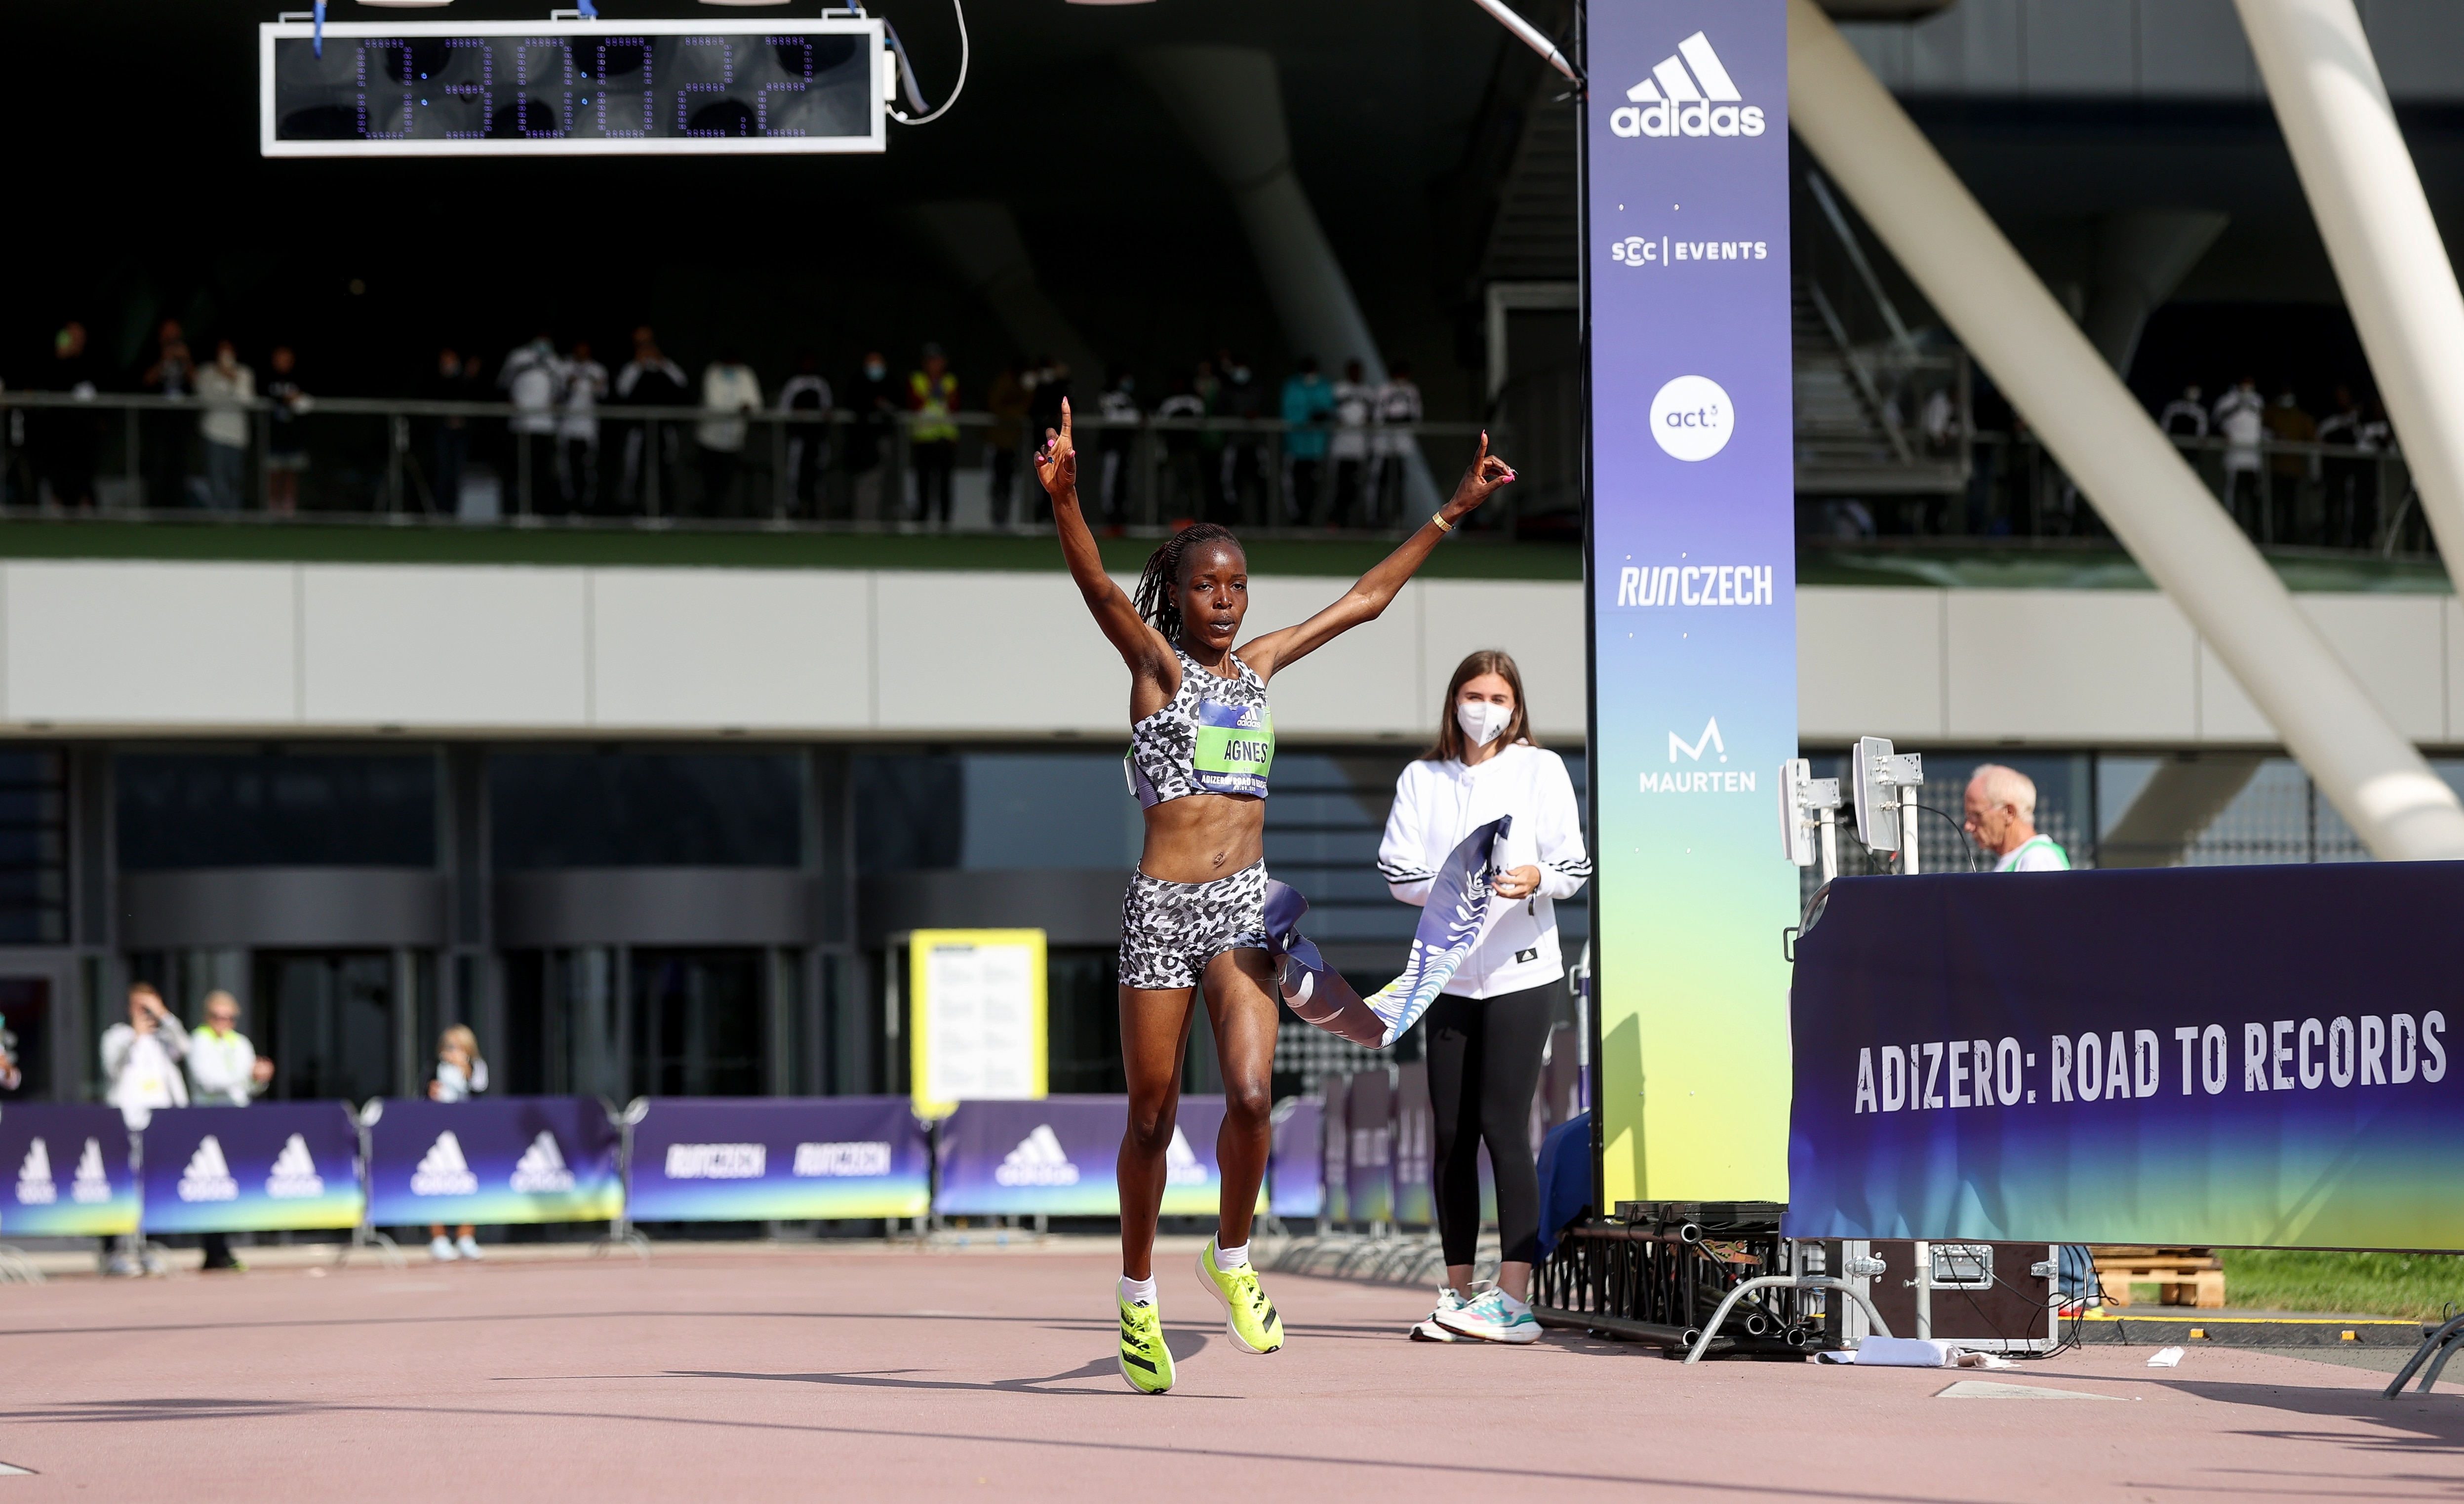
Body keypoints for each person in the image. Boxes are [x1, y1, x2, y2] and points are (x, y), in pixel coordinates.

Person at [1034, 397, 1516, 1393]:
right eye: (1207, 584)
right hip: (1160, 913)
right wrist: (1068, 498)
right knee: (1150, 1118)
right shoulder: (1156, 669)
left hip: (1243, 910)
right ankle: (1135, 1295)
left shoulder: (1257, 670)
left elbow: (1363, 602)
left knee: (1253, 1093)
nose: (1227, 599)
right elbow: (1095, 586)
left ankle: (1232, 1255)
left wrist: (1452, 509)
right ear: (1175, 591)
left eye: (1239, 585)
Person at [1379, 650, 1589, 1346]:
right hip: (1446, 973)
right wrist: (1457, 880)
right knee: (1450, 1134)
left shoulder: (1540, 768)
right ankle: (1458, 1292)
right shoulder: (1421, 777)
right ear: (1454, 701)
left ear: (1516, 707)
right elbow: (1397, 870)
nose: (1484, 706)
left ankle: (1513, 1297)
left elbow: (1573, 865)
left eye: (1498, 696)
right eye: (1473, 693)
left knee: (1503, 1123)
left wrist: (1533, 876)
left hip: (1523, 971)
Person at [101, 982, 188, 1276]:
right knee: (123, 1184)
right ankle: (117, 1250)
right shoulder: (117, 1036)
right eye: (140, 1007)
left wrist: (164, 1016)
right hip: (125, 1122)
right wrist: (135, 1037)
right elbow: (112, 1067)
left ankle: (151, 1247)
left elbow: (185, 1047)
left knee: (154, 1185)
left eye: (149, 1007)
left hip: (158, 1122)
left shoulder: (162, 1040)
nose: (145, 1013)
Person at [186, 989, 275, 1272]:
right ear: (207, 1017)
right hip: (209, 1121)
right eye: (217, 1017)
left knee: (229, 1185)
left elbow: (248, 1088)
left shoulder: (240, 1043)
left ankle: (222, 1248)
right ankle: (213, 1249)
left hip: (236, 1120)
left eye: (229, 1018)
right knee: (211, 1183)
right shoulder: (199, 1040)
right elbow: (209, 1082)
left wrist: (260, 1080)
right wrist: (246, 1076)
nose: (223, 1022)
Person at [425, 1025, 490, 1262]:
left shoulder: (476, 1067)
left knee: (469, 1183)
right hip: (440, 1132)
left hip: (467, 1132)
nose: (453, 1051)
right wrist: (430, 1093)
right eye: (449, 1047)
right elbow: (421, 1095)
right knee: (437, 1182)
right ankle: (439, 1239)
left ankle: (466, 1237)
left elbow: (479, 1093)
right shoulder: (435, 1068)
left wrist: (464, 1069)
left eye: (459, 1047)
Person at [615, 327, 689, 515]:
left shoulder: (665, 364)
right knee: (635, 471)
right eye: (640, 343)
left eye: (647, 342)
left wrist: (662, 363)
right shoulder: (631, 366)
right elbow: (622, 390)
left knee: (667, 470)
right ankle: (634, 511)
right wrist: (637, 365)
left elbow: (682, 382)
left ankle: (668, 511)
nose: (645, 347)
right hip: (639, 428)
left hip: (663, 428)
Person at [38, 321, 104, 511]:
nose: (76, 341)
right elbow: (47, 387)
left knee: (84, 473)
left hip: (85, 430)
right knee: (59, 471)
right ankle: (58, 506)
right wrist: (61, 357)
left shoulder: (93, 361)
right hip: (59, 430)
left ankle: (87, 507)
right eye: (72, 337)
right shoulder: (55, 362)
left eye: (79, 337)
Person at [501, 332, 562, 515]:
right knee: (516, 472)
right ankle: (514, 512)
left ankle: (539, 512)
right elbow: (504, 383)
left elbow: (560, 391)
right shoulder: (517, 357)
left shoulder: (555, 361)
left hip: (544, 427)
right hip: (520, 426)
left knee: (541, 473)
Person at [1963, 764, 2069, 871]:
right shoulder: (2019, 859)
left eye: (1977, 815)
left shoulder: (2038, 859)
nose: (1968, 826)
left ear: (2009, 813)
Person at [697, 349, 762, 518]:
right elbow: (714, 404)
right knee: (710, 481)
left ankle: (724, 516)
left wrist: (747, 408)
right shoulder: (713, 373)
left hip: (734, 440)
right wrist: (738, 408)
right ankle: (709, 517)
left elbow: (755, 403)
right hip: (710, 439)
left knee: (727, 481)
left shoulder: (746, 374)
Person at [139, 319, 196, 510]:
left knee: (179, 465)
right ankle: (155, 510)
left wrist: (186, 359)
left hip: (181, 420)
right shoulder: (151, 351)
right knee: (157, 464)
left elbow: (196, 382)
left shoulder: (187, 351)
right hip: (157, 420)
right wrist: (164, 359)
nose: (172, 337)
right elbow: (146, 380)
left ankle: (177, 510)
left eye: (176, 333)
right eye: (168, 333)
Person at [194, 340, 255, 512]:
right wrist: (220, 376)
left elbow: (247, 401)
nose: (226, 356)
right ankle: (217, 515)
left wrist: (234, 380)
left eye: (229, 352)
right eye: (222, 352)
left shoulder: (244, 373)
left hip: (238, 435)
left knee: (236, 478)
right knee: (215, 477)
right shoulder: (207, 372)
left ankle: (234, 515)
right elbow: (205, 398)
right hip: (213, 432)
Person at [777, 352, 833, 519]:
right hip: (798, 436)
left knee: (819, 471)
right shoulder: (793, 383)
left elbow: (828, 408)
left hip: (817, 437)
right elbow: (783, 408)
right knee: (794, 472)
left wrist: (822, 415)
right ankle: (793, 506)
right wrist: (796, 413)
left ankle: (816, 506)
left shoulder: (821, 383)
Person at [908, 344, 959, 527]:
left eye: (938, 360)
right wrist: (933, 392)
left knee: (945, 482)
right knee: (923, 481)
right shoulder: (917, 379)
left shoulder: (950, 380)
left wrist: (939, 393)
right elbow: (915, 403)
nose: (935, 364)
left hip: (945, 439)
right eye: (931, 361)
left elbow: (954, 404)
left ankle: (945, 521)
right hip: (924, 439)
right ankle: (923, 519)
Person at [1278, 356, 1333, 526]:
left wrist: (1323, 415)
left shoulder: (1324, 386)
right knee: (1293, 486)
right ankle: (1297, 519)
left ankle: (1311, 519)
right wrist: (1308, 417)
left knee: (1315, 487)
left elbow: (1330, 409)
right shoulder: (1292, 386)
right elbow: (1288, 413)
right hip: (1295, 447)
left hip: (1317, 448)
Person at [1370, 358, 1425, 527]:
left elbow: (1417, 415)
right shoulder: (1384, 390)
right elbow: (1378, 415)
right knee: (1382, 482)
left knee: (1399, 484)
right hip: (1384, 445)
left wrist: (1405, 419)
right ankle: (1378, 520)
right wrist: (1391, 419)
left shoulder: (1412, 391)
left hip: (1402, 445)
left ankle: (1397, 520)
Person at [846, 351, 898, 523]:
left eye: (878, 364)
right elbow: (854, 405)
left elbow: (898, 407)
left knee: (878, 481)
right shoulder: (857, 383)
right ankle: (862, 521)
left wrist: (885, 406)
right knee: (863, 481)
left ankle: (874, 520)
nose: (875, 369)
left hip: (882, 439)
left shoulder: (890, 383)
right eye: (871, 365)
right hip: (862, 442)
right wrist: (872, 404)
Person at [558, 338, 608, 514]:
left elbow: (603, 393)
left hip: (589, 429)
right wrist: (569, 384)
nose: (582, 354)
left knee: (589, 468)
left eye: (585, 351)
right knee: (567, 469)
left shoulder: (598, 369)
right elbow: (557, 393)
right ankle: (570, 506)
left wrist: (594, 383)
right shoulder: (564, 367)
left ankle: (588, 506)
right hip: (568, 427)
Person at [2212, 378, 2265, 540]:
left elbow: (2260, 425)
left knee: (2254, 497)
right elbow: (2216, 421)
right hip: (2234, 459)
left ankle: (2255, 533)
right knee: (2233, 495)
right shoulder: (2226, 400)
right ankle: (2232, 532)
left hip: (2254, 461)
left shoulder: (2258, 400)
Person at [2264, 388, 2315, 544]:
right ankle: (2273, 537)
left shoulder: (2301, 417)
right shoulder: (2273, 413)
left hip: (2294, 470)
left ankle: (2289, 538)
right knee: (2273, 506)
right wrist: (2275, 437)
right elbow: (2262, 430)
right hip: (2276, 469)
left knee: (2290, 507)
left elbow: (2313, 440)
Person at [263, 346, 309, 515]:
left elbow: (307, 402)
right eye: (279, 358)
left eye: (286, 359)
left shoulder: (300, 378)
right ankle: (273, 507)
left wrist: (298, 399)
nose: (282, 362)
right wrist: (284, 399)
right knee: (274, 472)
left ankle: (289, 508)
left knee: (292, 471)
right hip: (273, 435)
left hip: (294, 436)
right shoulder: (267, 378)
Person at [1329, 358, 1373, 528]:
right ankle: (1335, 521)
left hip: (1360, 449)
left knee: (1355, 489)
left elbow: (1373, 416)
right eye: (1353, 370)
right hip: (1341, 448)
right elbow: (1332, 413)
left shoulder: (1368, 392)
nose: (1356, 374)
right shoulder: (1339, 389)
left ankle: (1349, 522)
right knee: (1339, 487)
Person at [985, 359, 1029, 527]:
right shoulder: (1003, 383)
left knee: (1010, 483)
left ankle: (1006, 519)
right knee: (998, 482)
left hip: (1014, 444)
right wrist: (1016, 412)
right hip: (998, 444)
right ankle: (997, 519)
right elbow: (995, 406)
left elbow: (1027, 407)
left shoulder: (1025, 387)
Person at [1095, 366, 1141, 528]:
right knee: (1110, 483)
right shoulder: (1107, 397)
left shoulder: (1129, 398)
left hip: (1125, 448)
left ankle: (1123, 519)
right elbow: (1112, 418)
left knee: (1126, 483)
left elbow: (1136, 418)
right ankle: (1111, 518)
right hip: (1112, 449)